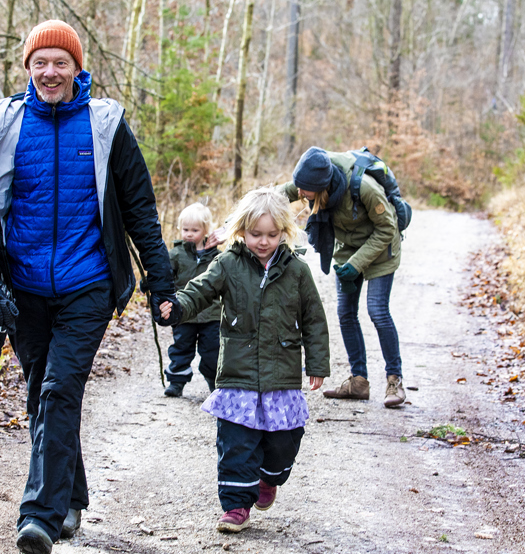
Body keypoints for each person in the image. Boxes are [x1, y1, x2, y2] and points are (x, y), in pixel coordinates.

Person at [0, 19, 181, 554]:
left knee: (60, 390)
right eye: (40, 62)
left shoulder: (106, 125)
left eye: (61, 62)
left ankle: (40, 514)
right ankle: (72, 496)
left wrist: (160, 281)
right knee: (42, 392)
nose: (50, 72)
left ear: (77, 68)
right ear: (28, 68)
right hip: (24, 287)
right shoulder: (4, 124)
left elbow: (140, 208)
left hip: (88, 283)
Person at [160, 188, 330, 533]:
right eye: (255, 234)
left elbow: (314, 319)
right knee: (236, 442)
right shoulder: (228, 264)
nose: (263, 242)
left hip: (281, 376)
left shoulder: (297, 271)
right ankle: (236, 505)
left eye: (272, 234)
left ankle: (269, 478)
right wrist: (176, 307)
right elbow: (199, 291)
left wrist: (317, 364)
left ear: (284, 232)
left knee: (283, 442)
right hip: (238, 374)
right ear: (240, 230)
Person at [279, 147, 406, 407]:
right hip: (347, 249)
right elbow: (274, 196)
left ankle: (395, 380)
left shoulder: (365, 187)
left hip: (381, 248)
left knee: (377, 311)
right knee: (346, 313)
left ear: (322, 187)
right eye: (299, 187)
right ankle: (358, 382)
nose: (300, 193)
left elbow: (386, 229)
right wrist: (234, 222)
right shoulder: (309, 181)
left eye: (305, 190)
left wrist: (357, 265)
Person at [163, 203, 222, 397]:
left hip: (212, 314)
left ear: (206, 230)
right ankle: (176, 382)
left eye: (194, 230)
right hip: (184, 313)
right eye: (185, 229)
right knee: (181, 347)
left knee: (213, 350)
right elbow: (164, 276)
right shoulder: (175, 255)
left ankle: (214, 382)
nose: (189, 234)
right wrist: (151, 284)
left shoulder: (217, 257)